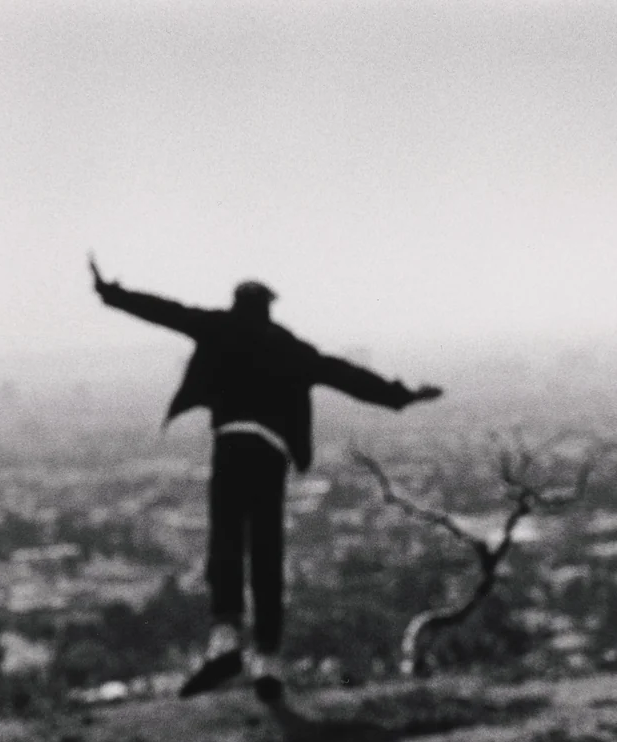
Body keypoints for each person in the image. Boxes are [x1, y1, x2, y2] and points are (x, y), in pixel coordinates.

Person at [88, 255, 443, 704]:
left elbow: (162, 310)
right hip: (271, 452)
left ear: (236, 303)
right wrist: (402, 395)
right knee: (267, 550)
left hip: (232, 444)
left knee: (226, 541)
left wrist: (110, 293)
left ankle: (226, 637)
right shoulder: (290, 347)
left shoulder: (217, 326)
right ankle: (269, 659)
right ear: (270, 308)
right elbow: (346, 376)